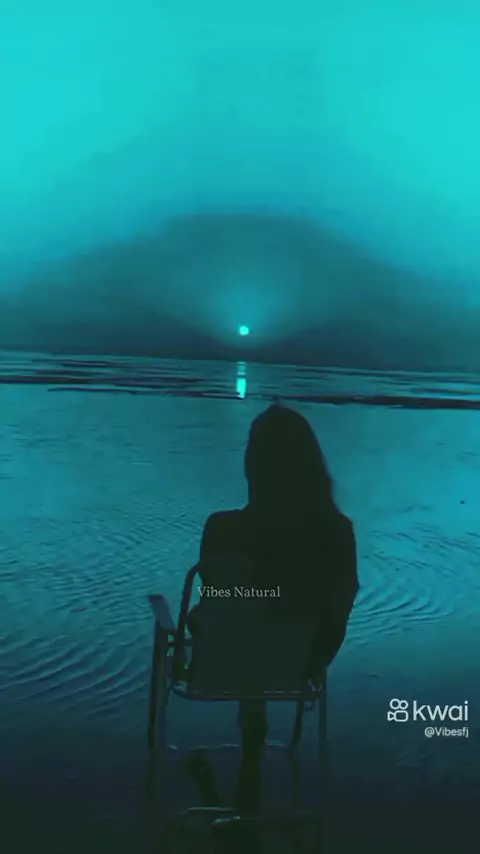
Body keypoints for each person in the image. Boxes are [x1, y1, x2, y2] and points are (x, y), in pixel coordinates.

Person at [184, 402, 358, 809]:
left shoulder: (221, 528)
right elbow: (340, 609)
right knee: (269, 623)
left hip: (219, 663)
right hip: (299, 668)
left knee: (235, 618)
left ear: (253, 465)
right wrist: (317, 657)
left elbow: (219, 600)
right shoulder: (337, 533)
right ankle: (253, 739)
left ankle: (248, 734)